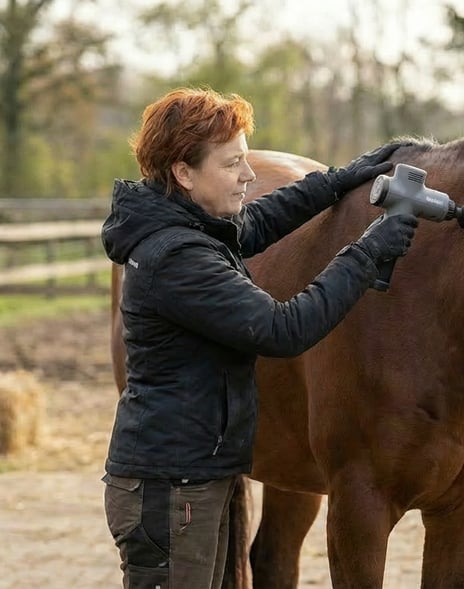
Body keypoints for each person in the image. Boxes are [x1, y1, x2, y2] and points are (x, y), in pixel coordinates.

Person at [100, 87, 419, 589]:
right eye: (231, 164)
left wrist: (338, 179)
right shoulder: (178, 258)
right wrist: (365, 254)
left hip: (191, 472)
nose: (249, 176)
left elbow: (262, 220)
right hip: (171, 490)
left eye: (247, 161)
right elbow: (282, 328)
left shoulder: (188, 224)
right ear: (184, 173)